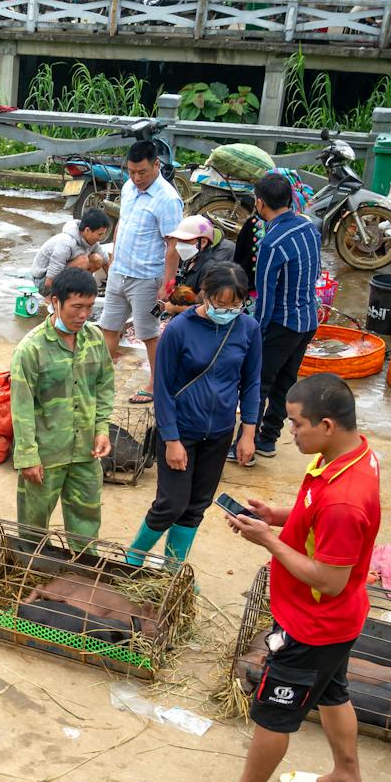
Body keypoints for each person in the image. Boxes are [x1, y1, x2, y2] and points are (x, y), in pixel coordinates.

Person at [176, 374, 380, 782]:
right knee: (331, 692)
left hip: (314, 623)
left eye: (296, 423)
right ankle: (347, 778)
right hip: (335, 619)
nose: (290, 432)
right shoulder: (346, 456)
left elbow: (328, 579)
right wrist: (277, 517)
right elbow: (315, 509)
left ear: (326, 424)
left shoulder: (347, 499)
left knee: (274, 713)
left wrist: (268, 541)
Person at [128, 263, 261, 563]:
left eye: (236, 304)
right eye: (221, 304)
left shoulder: (248, 329)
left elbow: (252, 383)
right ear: (205, 295)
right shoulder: (178, 330)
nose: (228, 311)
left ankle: (173, 567)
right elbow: (161, 389)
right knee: (171, 503)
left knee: (197, 504)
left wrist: (248, 433)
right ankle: (132, 559)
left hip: (220, 432)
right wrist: (172, 439)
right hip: (181, 429)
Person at [11, 266, 115, 545]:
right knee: (33, 527)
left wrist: (102, 428)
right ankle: (30, 575)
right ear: (55, 302)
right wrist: (28, 457)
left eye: (90, 307)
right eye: (77, 307)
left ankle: (81, 573)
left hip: (86, 452)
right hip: (46, 455)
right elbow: (21, 409)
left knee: (86, 522)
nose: (84, 315)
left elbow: (104, 384)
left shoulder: (94, 339)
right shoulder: (31, 349)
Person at [103, 139, 184, 402]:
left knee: (149, 333)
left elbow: (173, 245)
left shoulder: (168, 199)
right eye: (131, 172)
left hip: (147, 278)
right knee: (109, 327)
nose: (136, 178)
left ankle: (154, 384)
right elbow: (121, 225)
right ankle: (99, 377)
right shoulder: (128, 187)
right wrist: (113, 259)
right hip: (119, 271)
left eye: (142, 172)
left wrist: (167, 285)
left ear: (157, 165)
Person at [248, 173, 321, 458]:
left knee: (259, 384)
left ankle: (248, 442)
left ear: (260, 203)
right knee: (286, 381)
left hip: (282, 323)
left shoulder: (271, 242)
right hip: (308, 321)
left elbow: (265, 297)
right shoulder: (309, 228)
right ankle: (268, 438)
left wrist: (256, 332)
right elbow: (315, 274)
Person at [31, 210, 112, 298]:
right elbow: (50, 279)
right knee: (83, 261)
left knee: (97, 259)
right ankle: (63, 294)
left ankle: (79, 289)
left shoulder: (92, 242)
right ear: (87, 230)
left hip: (60, 276)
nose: (101, 238)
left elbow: (106, 261)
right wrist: (51, 299)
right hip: (43, 282)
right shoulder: (66, 243)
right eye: (99, 234)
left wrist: (115, 286)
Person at [166, 215, 231, 309]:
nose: (180, 245)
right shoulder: (189, 259)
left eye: (185, 241)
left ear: (203, 242)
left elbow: (205, 308)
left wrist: (175, 308)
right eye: (179, 240)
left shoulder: (210, 269)